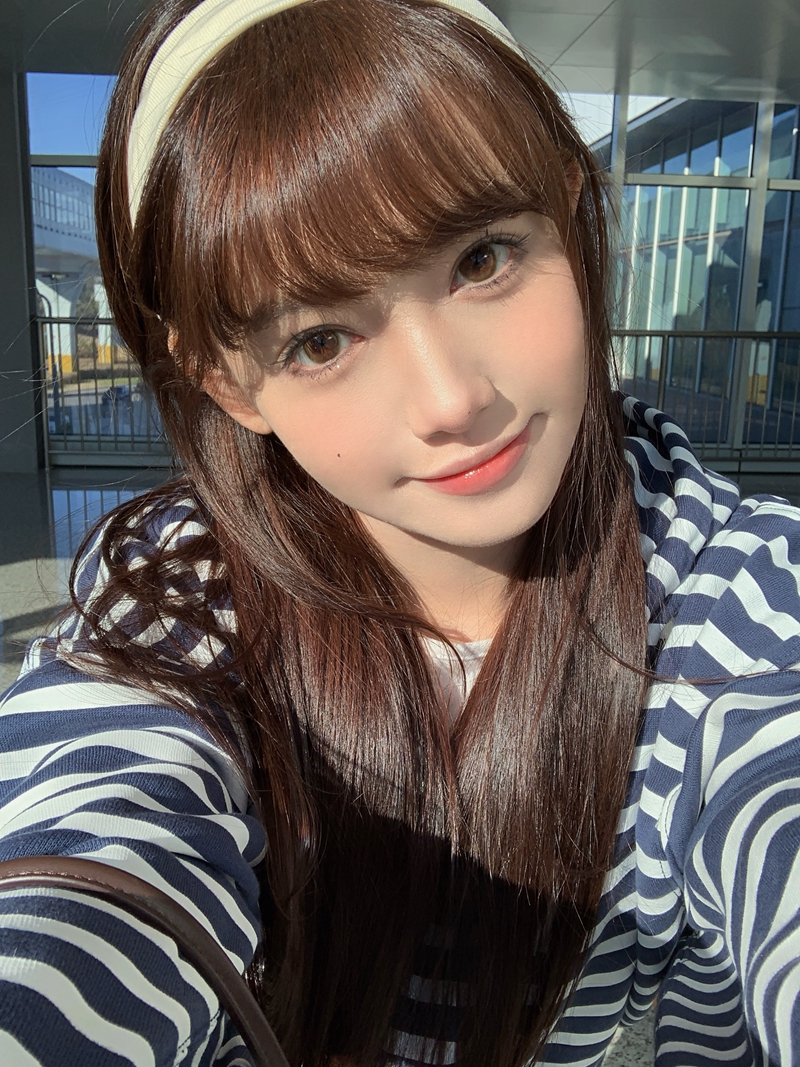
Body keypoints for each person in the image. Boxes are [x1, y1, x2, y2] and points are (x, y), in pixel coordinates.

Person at [1, 0, 800, 1064]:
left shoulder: (729, 596)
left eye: (481, 259)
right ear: (227, 384)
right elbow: (98, 847)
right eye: (320, 339)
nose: (450, 399)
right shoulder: (176, 609)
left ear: (570, 214)